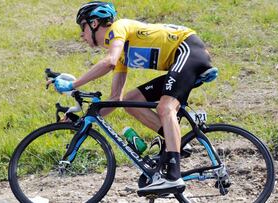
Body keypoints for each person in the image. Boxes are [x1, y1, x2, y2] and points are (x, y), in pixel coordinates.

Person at [52, 1, 213, 195]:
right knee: (131, 100)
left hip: (188, 50)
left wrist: (73, 84)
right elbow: (115, 99)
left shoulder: (118, 28)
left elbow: (109, 62)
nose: (81, 34)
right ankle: (174, 145)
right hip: (182, 59)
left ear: (94, 23)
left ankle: (173, 176)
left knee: (165, 108)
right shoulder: (121, 53)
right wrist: (85, 118)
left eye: (82, 27)